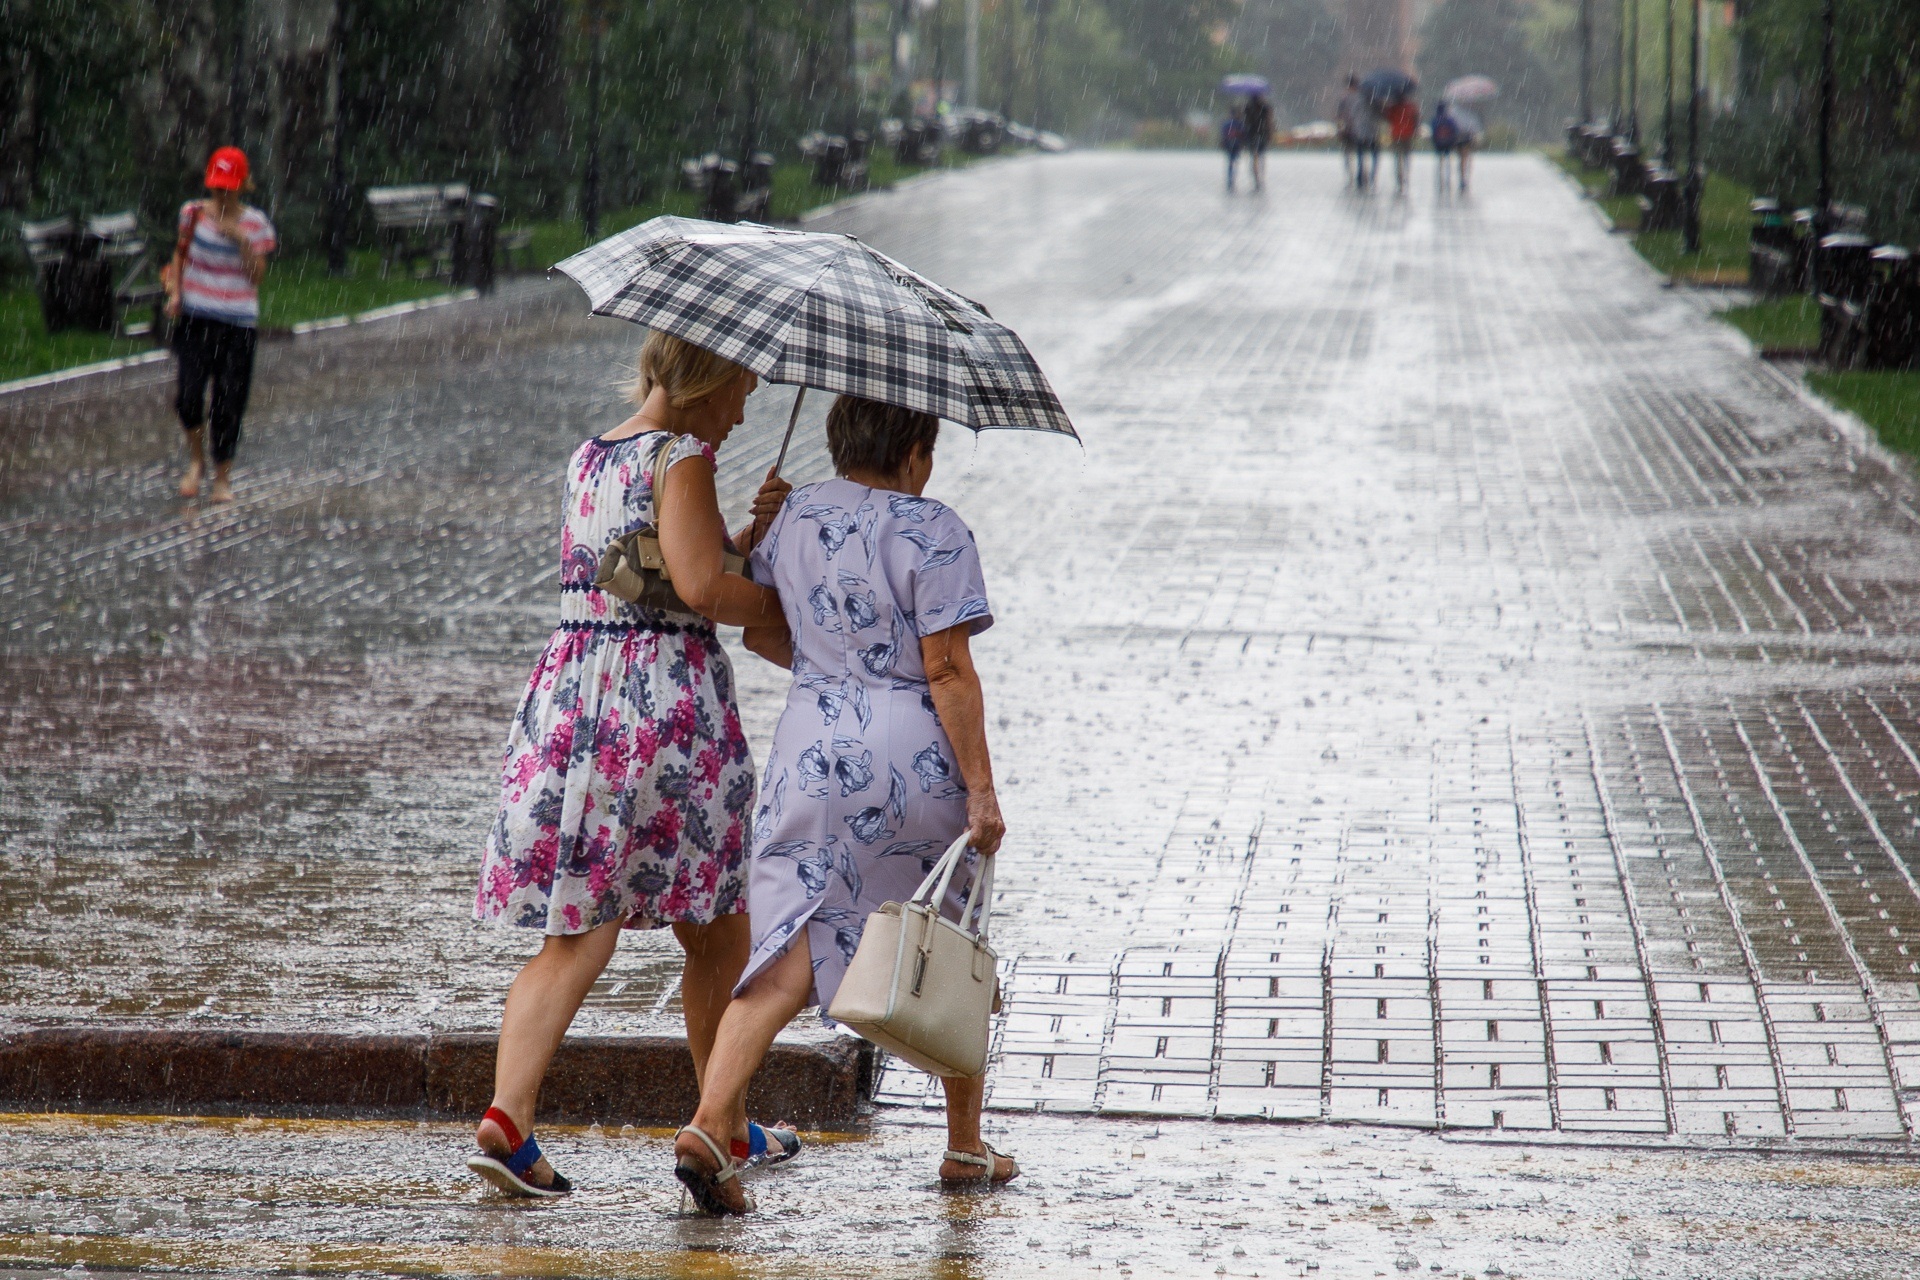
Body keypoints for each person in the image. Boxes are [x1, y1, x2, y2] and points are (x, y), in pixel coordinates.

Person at [466, 331, 793, 1198]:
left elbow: (644, 567)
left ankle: (509, 1116)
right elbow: (697, 588)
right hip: (659, 710)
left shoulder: (592, 455)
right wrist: (780, 597)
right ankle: (719, 1119)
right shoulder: (682, 455)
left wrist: (753, 534)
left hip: (576, 698)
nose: (743, 408)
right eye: (740, 392)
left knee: (576, 927)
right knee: (719, 928)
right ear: (707, 381)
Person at [670, 395, 1013, 1215]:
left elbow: (764, 635)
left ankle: (713, 1122)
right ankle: (964, 1146)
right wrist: (982, 790)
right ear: (917, 449)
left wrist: (773, 542)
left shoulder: (792, 516)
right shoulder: (934, 529)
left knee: (784, 950)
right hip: (907, 756)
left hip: (807, 752)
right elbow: (947, 670)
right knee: (943, 933)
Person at [163, 146, 275, 504]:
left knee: (229, 401)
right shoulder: (192, 213)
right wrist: (176, 293)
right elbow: (179, 256)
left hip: (238, 324)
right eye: (216, 186)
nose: (221, 194)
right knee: (189, 395)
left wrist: (241, 239)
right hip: (197, 318)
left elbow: (257, 277)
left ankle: (222, 476)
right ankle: (196, 461)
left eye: (228, 187)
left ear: (243, 185)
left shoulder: (256, 223)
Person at [1385, 92, 1420, 192]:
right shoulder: (1411, 106)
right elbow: (1416, 118)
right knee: (1406, 156)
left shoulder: (1393, 107)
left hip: (1396, 134)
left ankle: (1399, 176)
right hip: (1408, 134)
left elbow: (1388, 118)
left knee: (1397, 156)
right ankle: (1405, 174)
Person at [1241, 93, 1275, 193]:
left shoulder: (1247, 107)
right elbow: (1269, 121)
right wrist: (1270, 134)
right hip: (1262, 134)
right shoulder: (1265, 107)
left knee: (1254, 157)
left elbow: (1245, 122)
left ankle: (1256, 178)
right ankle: (1260, 177)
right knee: (1261, 157)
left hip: (1251, 135)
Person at [1334, 75, 1364, 186]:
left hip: (1347, 129)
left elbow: (1339, 115)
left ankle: (1350, 174)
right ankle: (1360, 173)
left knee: (1348, 153)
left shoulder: (1344, 98)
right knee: (1360, 153)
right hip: (1359, 129)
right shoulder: (1361, 97)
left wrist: (1339, 128)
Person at [1431, 100, 1462, 189]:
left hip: (1439, 144)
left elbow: (1433, 132)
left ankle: (1440, 178)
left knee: (1440, 161)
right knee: (1448, 160)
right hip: (1448, 143)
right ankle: (1447, 178)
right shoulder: (1449, 120)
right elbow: (1455, 130)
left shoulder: (1435, 120)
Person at [1453, 106, 1483, 192]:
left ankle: (1463, 176)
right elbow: (1475, 127)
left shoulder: (1456, 112)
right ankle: (1464, 176)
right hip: (1466, 137)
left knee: (1462, 158)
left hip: (1459, 137)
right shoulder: (1472, 114)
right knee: (1465, 157)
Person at [1220, 111, 1245, 192]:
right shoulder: (1239, 124)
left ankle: (1230, 179)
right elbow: (1243, 134)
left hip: (1229, 145)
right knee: (1234, 161)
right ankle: (1232, 178)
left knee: (1231, 161)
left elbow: (1223, 134)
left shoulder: (1227, 124)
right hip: (1236, 145)